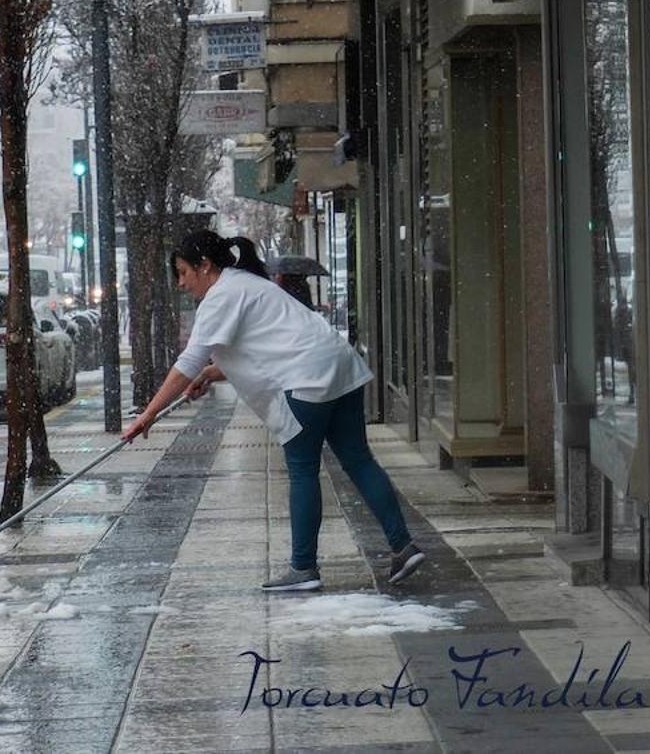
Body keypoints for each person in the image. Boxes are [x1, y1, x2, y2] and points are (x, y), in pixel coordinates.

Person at [123, 230, 425, 591]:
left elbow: (188, 360)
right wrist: (212, 373)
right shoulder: (245, 284)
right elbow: (265, 344)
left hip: (306, 377)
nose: (181, 282)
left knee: (302, 471)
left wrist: (149, 414)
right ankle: (403, 545)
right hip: (337, 366)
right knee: (359, 460)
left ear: (205, 266)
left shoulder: (221, 295)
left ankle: (303, 568)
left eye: (183, 272)